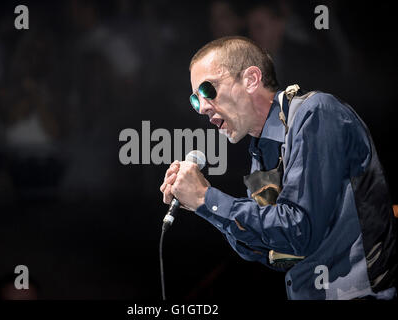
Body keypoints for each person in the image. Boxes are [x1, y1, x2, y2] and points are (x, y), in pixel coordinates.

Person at [159, 36, 397, 300]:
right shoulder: (261, 150)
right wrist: (201, 205)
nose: (202, 107)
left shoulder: (316, 112)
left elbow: (299, 231)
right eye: (195, 99)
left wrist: (207, 198)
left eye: (207, 89)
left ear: (250, 79)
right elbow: (275, 252)